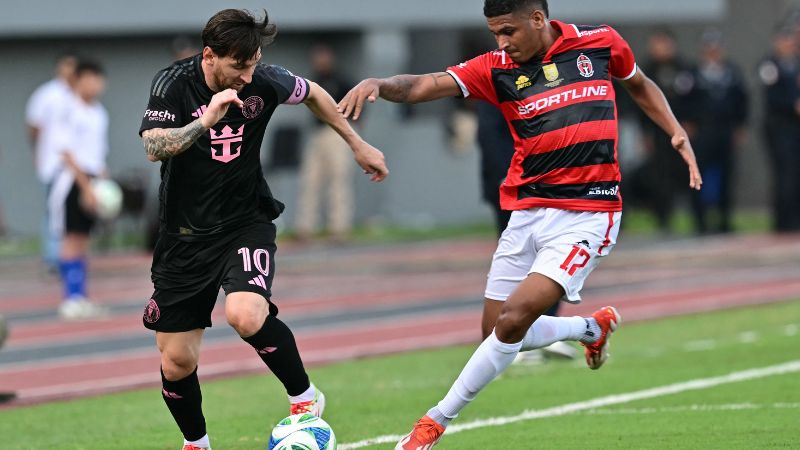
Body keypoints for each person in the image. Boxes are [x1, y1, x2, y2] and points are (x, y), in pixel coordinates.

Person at [338, 1, 702, 447]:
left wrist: (674, 130)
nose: (502, 42)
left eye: (508, 31)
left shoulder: (600, 43)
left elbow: (639, 85)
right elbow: (423, 85)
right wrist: (380, 83)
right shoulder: (496, 68)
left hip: (589, 211)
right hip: (527, 210)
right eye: (494, 33)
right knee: (497, 335)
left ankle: (431, 424)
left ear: (537, 19)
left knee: (513, 321)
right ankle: (590, 328)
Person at [138, 10, 387, 450]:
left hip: (244, 223)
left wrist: (357, 143)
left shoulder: (263, 79)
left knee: (246, 314)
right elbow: (155, 147)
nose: (247, 75)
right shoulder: (174, 84)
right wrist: (205, 121)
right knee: (176, 361)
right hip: (184, 237)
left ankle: (304, 398)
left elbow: (314, 94)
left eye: (253, 63)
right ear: (210, 55)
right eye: (239, 66)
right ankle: (196, 443)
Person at [476, 101, 575, 362]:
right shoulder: (498, 81)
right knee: (515, 257)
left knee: (551, 255)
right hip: (510, 184)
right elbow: (488, 133)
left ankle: (547, 327)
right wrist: (506, 175)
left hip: (544, 185)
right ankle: (508, 334)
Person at [49, 59, 110, 320]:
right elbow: (67, 153)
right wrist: (85, 187)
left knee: (83, 240)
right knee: (71, 239)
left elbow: (98, 153)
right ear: (78, 80)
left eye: (97, 78)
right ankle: (70, 298)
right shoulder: (68, 110)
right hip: (73, 182)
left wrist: (101, 181)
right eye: (87, 78)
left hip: (93, 179)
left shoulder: (99, 112)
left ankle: (80, 295)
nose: (93, 84)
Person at [682, 29, 748, 234]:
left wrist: (740, 125)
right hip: (701, 131)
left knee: (727, 175)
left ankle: (724, 220)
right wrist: (685, 124)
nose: (713, 52)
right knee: (697, 174)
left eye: (716, 48)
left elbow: (743, 100)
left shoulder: (731, 73)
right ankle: (700, 221)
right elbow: (682, 101)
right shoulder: (692, 74)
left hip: (724, 130)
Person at [629, 29, 692, 233]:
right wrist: (644, 133)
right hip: (656, 133)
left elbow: (693, 100)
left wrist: (688, 123)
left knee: (681, 174)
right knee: (658, 175)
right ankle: (662, 216)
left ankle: (693, 217)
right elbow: (640, 103)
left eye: (664, 44)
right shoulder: (645, 70)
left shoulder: (684, 69)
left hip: (680, 131)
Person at [294, 44, 356, 242]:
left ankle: (339, 227)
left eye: (323, 56)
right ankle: (305, 227)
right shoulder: (315, 79)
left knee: (338, 180)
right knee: (310, 180)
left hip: (336, 134)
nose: (320, 61)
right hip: (318, 132)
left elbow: (354, 107)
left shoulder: (341, 79)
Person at [25, 52, 79, 272]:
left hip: (76, 165)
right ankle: (52, 259)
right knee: (53, 211)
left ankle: (71, 256)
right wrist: (39, 152)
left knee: (72, 213)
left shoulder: (79, 95)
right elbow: (34, 127)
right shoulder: (46, 95)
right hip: (53, 163)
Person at [758, 26, 800, 232]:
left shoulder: (796, 65)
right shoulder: (770, 65)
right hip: (780, 127)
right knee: (785, 175)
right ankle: (783, 223)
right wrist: (792, 105)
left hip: (796, 128)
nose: (789, 44)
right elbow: (771, 96)